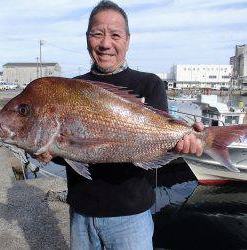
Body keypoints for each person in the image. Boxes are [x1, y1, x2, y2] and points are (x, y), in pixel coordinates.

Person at [36, 1, 204, 249]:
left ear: (127, 39)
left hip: (132, 218)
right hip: (82, 215)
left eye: (115, 35)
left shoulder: (149, 84)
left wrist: (182, 145)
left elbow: (162, 143)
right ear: (87, 38)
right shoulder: (69, 89)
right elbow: (69, 150)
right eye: (97, 34)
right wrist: (47, 150)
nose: (105, 44)